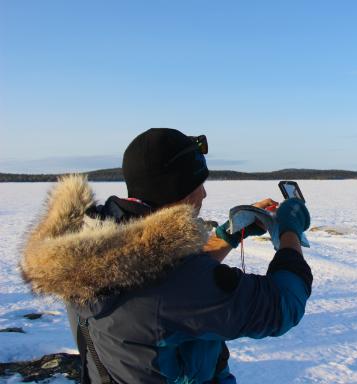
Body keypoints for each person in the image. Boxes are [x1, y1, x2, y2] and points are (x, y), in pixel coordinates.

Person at [21, 128, 313, 383]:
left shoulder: (89, 244)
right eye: (200, 183)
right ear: (183, 195)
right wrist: (289, 230)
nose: (204, 195)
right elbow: (281, 306)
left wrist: (229, 234)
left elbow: (167, 271)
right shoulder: (175, 285)